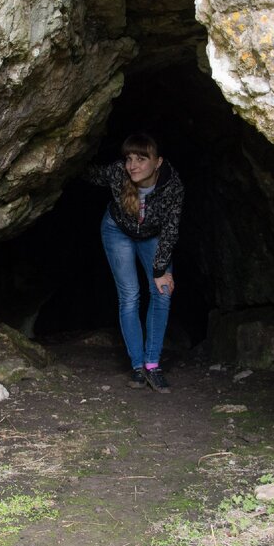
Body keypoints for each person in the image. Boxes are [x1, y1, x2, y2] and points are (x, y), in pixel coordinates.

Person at [83, 133, 184, 393]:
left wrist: (160, 270)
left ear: (158, 161)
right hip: (117, 231)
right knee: (130, 296)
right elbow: (89, 174)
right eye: (129, 158)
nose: (133, 165)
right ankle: (138, 367)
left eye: (141, 158)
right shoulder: (119, 173)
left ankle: (152, 365)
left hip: (153, 236)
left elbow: (171, 230)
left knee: (162, 292)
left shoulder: (172, 186)